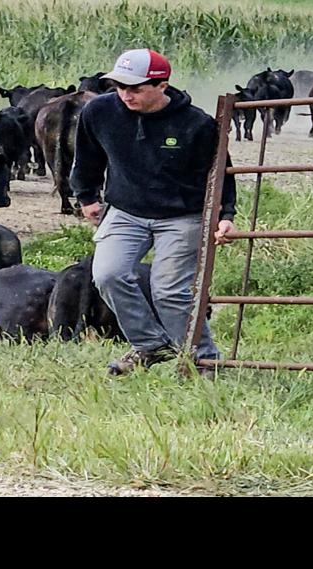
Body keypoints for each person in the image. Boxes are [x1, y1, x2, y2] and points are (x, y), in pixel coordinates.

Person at [70, 48, 237, 376]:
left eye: (135, 88)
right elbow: (87, 155)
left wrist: (225, 215)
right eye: (119, 86)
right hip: (125, 210)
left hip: (181, 216)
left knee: (169, 289)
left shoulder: (196, 124)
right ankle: (151, 344)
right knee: (108, 274)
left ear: (161, 86)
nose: (125, 95)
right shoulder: (100, 112)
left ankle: (204, 360)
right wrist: (87, 196)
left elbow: (219, 174)